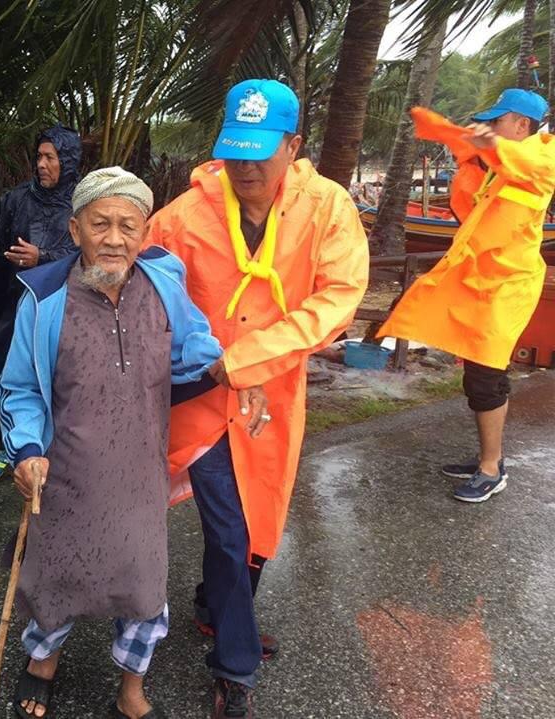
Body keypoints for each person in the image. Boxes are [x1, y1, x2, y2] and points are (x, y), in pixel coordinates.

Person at [146, 79, 369, 718]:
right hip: (198, 397)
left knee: (259, 526)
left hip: (268, 394)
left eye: (260, 153)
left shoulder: (327, 208)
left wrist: (242, 362)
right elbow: (138, 284)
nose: (245, 168)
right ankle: (234, 667)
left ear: (293, 146)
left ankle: (215, 607)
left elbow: (338, 298)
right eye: (234, 152)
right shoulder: (183, 216)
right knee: (231, 527)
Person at [0, 167, 222, 719]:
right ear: (75, 230)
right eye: (101, 224)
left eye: (128, 225)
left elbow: (197, 347)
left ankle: (131, 690)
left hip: (140, 476)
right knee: (56, 578)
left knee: (143, 587)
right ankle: (42, 663)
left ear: (145, 233)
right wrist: (26, 452)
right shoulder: (44, 299)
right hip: (67, 475)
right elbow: (20, 387)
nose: (115, 238)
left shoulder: (165, 287)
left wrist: (239, 371)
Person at [378, 89, 555, 502]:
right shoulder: (501, 166)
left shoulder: (541, 156)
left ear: (521, 125)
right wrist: (470, 156)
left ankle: (492, 469)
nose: (490, 128)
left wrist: (490, 147)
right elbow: (468, 207)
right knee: (473, 369)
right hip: (480, 283)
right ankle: (484, 458)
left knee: (487, 376)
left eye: (497, 122)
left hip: (507, 289)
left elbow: (534, 165)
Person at [0, 124, 82, 482]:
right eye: (39, 157)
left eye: (50, 157)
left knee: (62, 377)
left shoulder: (84, 201)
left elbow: (88, 254)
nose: (42, 165)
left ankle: (60, 446)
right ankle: (6, 445)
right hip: (17, 305)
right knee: (10, 375)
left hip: (67, 308)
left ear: (68, 160)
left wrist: (44, 257)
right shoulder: (17, 199)